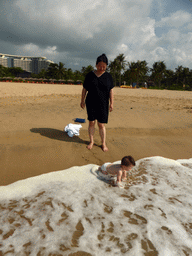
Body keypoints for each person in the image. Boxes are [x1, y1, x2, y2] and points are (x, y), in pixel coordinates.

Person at [80, 53, 114, 152]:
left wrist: (111, 103)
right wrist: (82, 101)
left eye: (104, 66)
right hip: (91, 102)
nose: (101, 68)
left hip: (103, 104)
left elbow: (111, 90)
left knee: (101, 124)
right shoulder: (90, 75)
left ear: (106, 66)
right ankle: (91, 141)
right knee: (91, 122)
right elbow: (84, 89)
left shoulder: (108, 76)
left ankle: (103, 143)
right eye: (99, 66)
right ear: (96, 65)